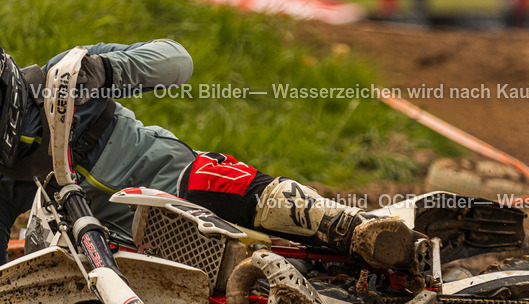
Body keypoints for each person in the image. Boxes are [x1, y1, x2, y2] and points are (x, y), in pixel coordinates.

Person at [0, 40, 420, 272]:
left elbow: (178, 61)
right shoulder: (5, 178)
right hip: (123, 248)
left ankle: (352, 227)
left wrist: (110, 70)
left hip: (175, 181)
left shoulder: (69, 73)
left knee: (214, 180)